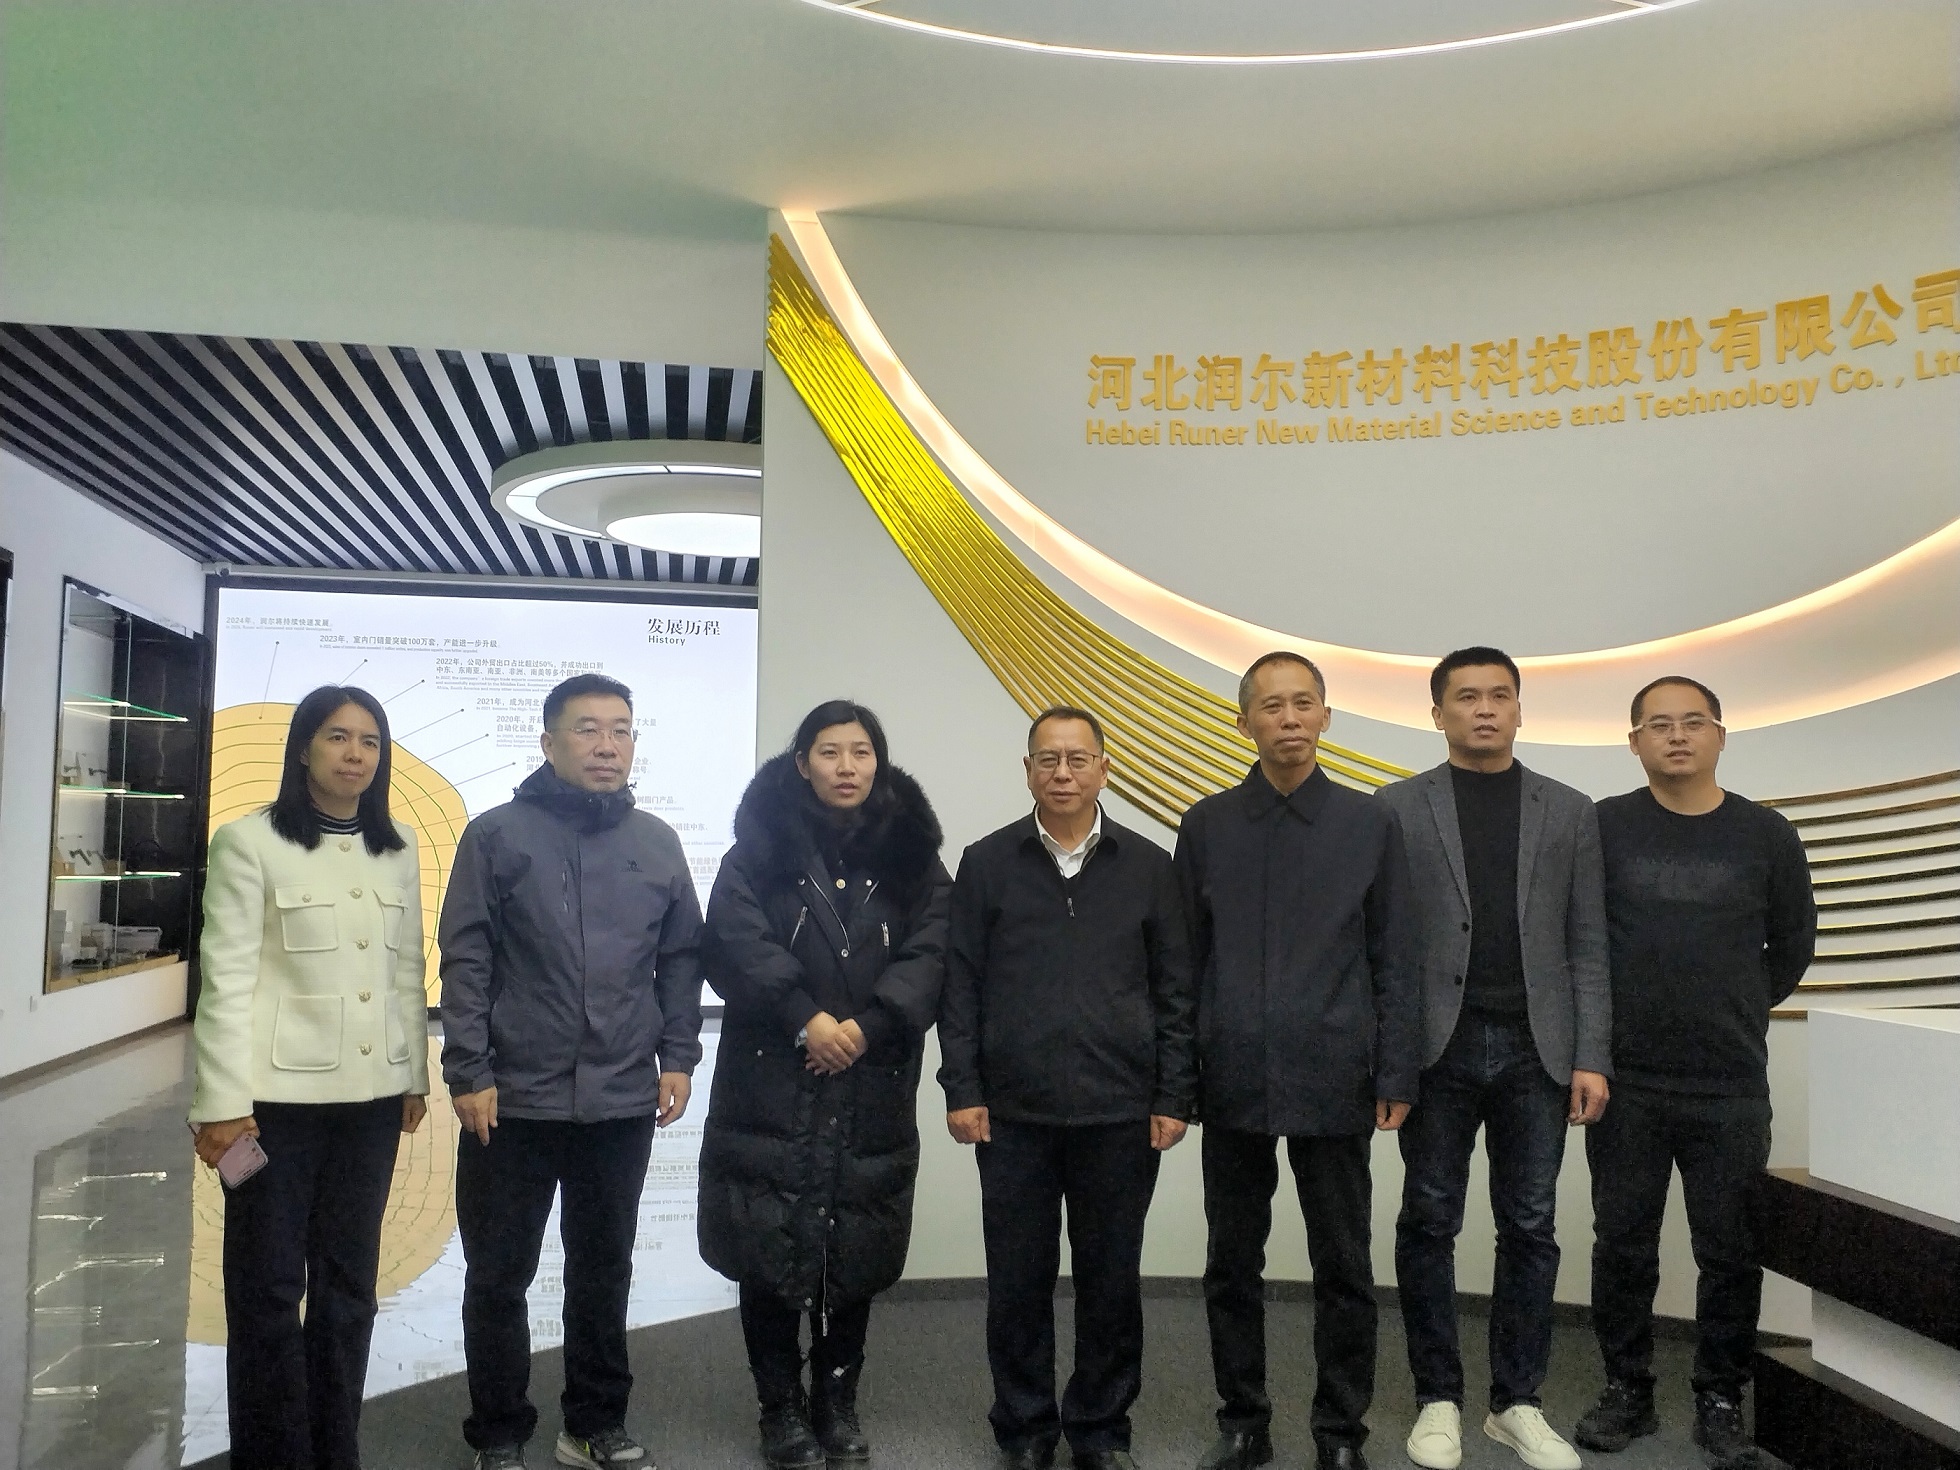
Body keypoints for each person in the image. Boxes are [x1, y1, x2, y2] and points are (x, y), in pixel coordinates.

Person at [440, 673, 704, 1470]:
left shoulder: (656, 842)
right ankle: (498, 1434)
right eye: (588, 729)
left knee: (602, 1270)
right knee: (499, 1275)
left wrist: (678, 1056)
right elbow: (466, 958)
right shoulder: (495, 836)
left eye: (621, 730)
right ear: (549, 742)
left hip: (621, 1098)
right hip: (513, 1098)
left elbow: (680, 958)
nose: (607, 746)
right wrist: (468, 1070)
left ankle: (593, 1423)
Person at [1177, 652, 1420, 1470]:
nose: (1289, 718)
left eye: (1303, 703)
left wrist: (1396, 1071)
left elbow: (1396, 956)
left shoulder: (1368, 823)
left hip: (1336, 1074)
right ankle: (1243, 1422)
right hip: (1232, 1075)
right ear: (1243, 720)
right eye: (1272, 705)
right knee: (1230, 1263)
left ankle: (1340, 1432)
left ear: (1325, 716)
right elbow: (1183, 964)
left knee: (1344, 1265)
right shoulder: (1207, 825)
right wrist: (1181, 1077)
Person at [941, 705, 1198, 1470]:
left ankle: (1101, 1429)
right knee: (1017, 1283)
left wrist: (1173, 1095)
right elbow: (960, 987)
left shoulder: (1149, 866)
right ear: (1027, 771)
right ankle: (1024, 1430)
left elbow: (1175, 990)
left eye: (1078, 759)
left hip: (1120, 1112)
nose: (1063, 773)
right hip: (1012, 1114)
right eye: (1047, 759)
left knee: (1110, 1282)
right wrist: (962, 1087)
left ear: (1103, 769)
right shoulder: (987, 862)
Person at [697, 700, 950, 1469]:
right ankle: (779, 1407)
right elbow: (735, 940)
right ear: (802, 761)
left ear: (879, 762)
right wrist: (805, 1018)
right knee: (769, 1240)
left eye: (861, 751)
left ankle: (837, 1402)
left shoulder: (914, 856)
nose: (847, 766)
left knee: (854, 1239)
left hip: (871, 1075)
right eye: (830, 751)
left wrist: (867, 1027)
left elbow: (936, 947)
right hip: (773, 1074)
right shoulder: (757, 850)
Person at [1375, 647, 1609, 1470]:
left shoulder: (1569, 810)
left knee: (1531, 1226)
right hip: (1436, 1048)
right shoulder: (1396, 806)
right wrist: (1389, 1060)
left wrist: (1592, 1054)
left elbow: (1588, 943)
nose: (1484, 709)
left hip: (1537, 1051)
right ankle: (1437, 1397)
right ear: (1437, 712)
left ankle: (1517, 1402)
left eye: (1499, 696)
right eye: (1467, 697)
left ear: (1518, 709)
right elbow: (1384, 945)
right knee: (1428, 1220)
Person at [1576, 677, 1814, 1466]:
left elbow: (1793, 946)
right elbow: (1581, 939)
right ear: (1634, 742)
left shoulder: (1767, 834)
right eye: (1658, 724)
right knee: (1622, 1246)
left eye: (1692, 722)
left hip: (1729, 1083)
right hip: (1625, 1082)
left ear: (1720, 735)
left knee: (1731, 1252)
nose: (1676, 736)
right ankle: (1627, 1388)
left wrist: (1731, 1003)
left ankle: (1720, 1396)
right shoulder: (1603, 826)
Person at [190, 685, 429, 1470]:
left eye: (369, 741)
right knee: (265, 1292)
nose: (355, 754)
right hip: (272, 1107)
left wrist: (413, 1075)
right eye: (337, 737)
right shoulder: (249, 842)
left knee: (348, 1288)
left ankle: (335, 1451)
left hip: (369, 1104)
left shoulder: (396, 848)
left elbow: (404, 970)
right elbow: (226, 983)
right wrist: (221, 1104)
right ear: (303, 748)